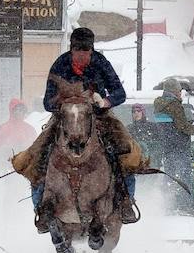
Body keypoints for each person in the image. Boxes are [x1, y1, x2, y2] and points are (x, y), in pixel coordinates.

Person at [17, 27, 142, 226]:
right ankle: (42, 207)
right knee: (38, 155)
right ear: (72, 50)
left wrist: (105, 102)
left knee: (127, 151)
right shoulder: (60, 65)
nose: (82, 57)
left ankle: (126, 201)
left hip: (99, 116)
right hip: (64, 118)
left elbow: (120, 93)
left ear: (92, 51)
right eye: (78, 53)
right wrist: (65, 102)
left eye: (86, 53)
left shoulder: (101, 63)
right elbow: (47, 103)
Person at [153, 81, 194, 214]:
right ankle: (186, 206)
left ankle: (168, 205)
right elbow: (182, 126)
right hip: (180, 146)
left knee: (170, 176)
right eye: (179, 91)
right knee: (185, 176)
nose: (181, 93)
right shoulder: (174, 105)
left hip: (167, 146)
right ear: (174, 91)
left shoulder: (158, 104)